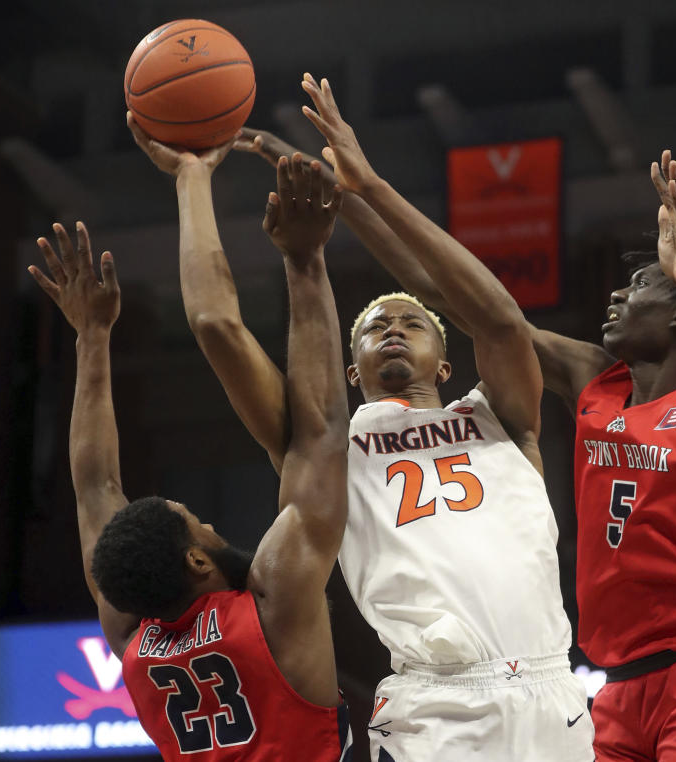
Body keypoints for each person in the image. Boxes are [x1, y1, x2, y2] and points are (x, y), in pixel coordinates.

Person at [271, 126, 676, 760]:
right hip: (612, 689)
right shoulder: (594, 378)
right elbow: (452, 299)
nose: (618, 294)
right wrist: (346, 198)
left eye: (643, 284)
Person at [128, 74, 595, 761]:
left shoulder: (502, 415)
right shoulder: (328, 447)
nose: (394, 329)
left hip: (557, 695)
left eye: (413, 322)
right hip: (439, 705)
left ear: (446, 362)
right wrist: (192, 180)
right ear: (352, 371)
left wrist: (366, 189)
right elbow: (215, 324)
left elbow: (499, 319)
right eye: (375, 327)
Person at [27, 157, 353, 762]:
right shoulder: (273, 606)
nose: (208, 521)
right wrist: (305, 263)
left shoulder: (132, 635)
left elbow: (95, 486)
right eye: (193, 518)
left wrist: (91, 337)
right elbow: (322, 432)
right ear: (199, 558)